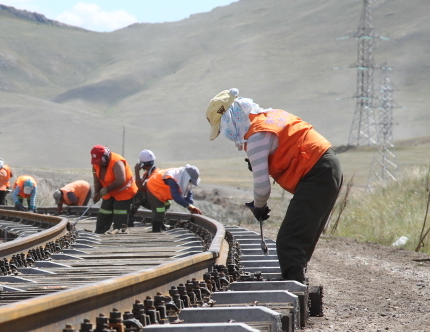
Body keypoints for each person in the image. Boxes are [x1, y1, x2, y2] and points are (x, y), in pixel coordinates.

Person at [206, 88, 343, 284]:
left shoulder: (256, 137)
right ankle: (297, 280)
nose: (225, 134)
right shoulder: (270, 117)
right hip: (327, 165)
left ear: (230, 117)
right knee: (299, 238)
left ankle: (295, 287)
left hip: (317, 173)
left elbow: (262, 188)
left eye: (222, 127)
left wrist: (258, 207)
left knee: (289, 240)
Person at [90, 145, 138, 234]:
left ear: (106, 156)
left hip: (124, 191)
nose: (99, 164)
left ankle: (119, 232)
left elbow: (120, 180)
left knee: (120, 212)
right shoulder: (96, 165)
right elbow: (97, 181)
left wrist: (105, 190)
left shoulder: (117, 162)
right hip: (109, 192)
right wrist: (97, 193)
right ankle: (100, 231)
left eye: (100, 161)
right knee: (104, 211)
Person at [144, 165, 203, 231]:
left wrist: (191, 206)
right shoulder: (172, 178)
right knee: (159, 210)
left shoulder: (183, 178)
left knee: (165, 207)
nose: (190, 182)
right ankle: (156, 229)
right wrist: (188, 205)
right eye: (190, 180)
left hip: (163, 191)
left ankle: (161, 225)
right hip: (154, 188)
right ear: (187, 177)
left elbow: (188, 192)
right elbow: (176, 196)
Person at [128, 149, 162, 227]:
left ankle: (129, 218)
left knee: (138, 194)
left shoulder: (154, 174)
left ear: (142, 164)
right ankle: (128, 217)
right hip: (155, 200)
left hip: (158, 202)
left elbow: (141, 188)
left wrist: (136, 172)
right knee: (133, 191)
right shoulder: (147, 174)